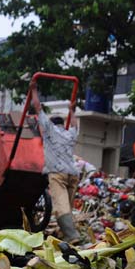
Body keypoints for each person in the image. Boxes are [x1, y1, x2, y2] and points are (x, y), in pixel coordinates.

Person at [30, 81, 81, 243]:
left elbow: (38, 108)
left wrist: (33, 90)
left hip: (57, 174)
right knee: (68, 207)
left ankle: (73, 236)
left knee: (61, 207)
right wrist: (72, 110)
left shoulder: (50, 131)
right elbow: (75, 124)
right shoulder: (69, 134)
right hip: (73, 174)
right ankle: (64, 233)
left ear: (52, 124)